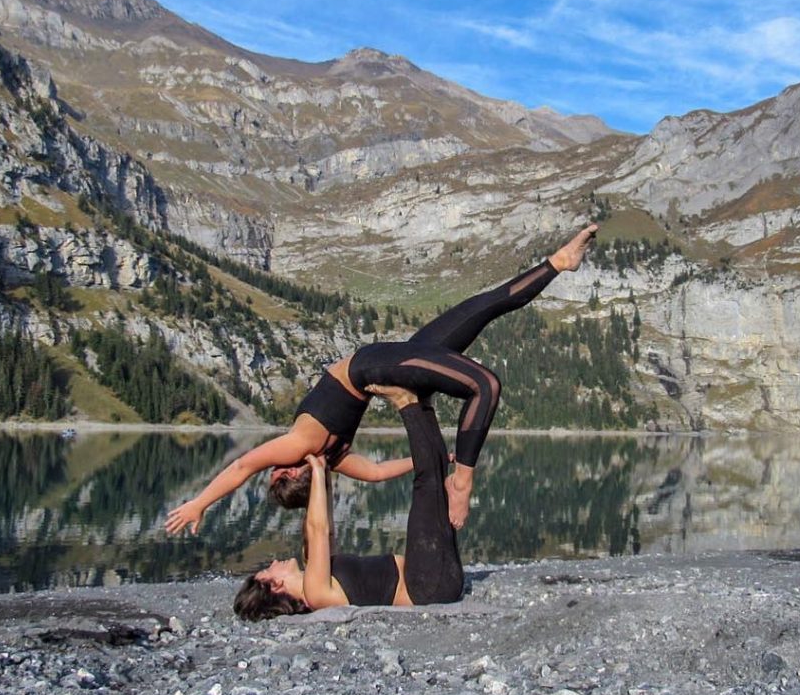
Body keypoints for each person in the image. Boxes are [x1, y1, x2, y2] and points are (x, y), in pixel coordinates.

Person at [165, 224, 597, 537]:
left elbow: (369, 472)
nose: (272, 468)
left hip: (376, 366)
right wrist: (440, 461)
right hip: (379, 368)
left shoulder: (319, 451)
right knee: (485, 373)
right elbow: (367, 472)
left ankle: (560, 261)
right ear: (286, 474)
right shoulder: (302, 450)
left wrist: (202, 503)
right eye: (275, 475)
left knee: (482, 328)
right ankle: (463, 482)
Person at [233, 385, 463, 620]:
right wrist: (317, 469)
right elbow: (318, 529)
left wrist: (322, 472)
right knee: (427, 480)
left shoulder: (316, 574)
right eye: (268, 569)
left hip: (433, 576)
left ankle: (422, 400)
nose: (273, 562)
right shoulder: (315, 594)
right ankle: (407, 401)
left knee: (431, 470)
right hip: (428, 586)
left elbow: (324, 525)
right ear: (274, 585)